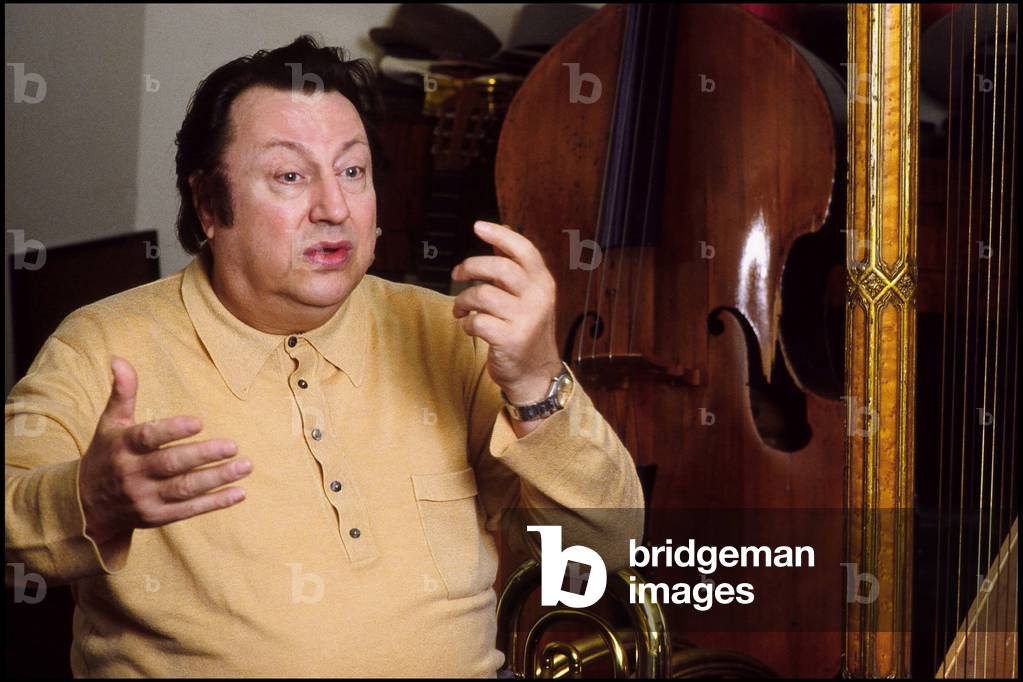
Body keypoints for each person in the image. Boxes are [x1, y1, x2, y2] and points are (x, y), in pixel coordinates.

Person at [4, 35, 643, 677]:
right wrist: (90, 501)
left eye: (352, 171)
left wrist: (536, 383)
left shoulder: (451, 332)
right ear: (207, 205)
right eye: (290, 176)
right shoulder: (103, 343)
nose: (334, 208)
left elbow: (597, 555)